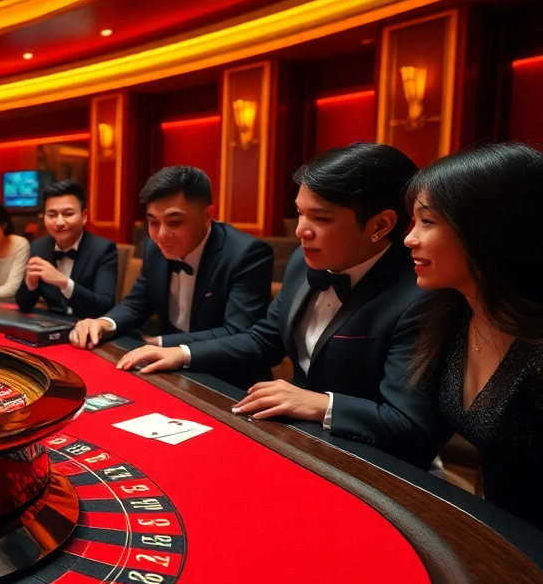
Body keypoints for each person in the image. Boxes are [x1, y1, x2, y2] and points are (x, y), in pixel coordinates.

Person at [117, 143, 442, 468]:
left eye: (321, 218)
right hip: (298, 441)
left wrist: (321, 405)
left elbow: (410, 428)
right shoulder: (303, 262)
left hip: (373, 464)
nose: (300, 231)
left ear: (380, 225)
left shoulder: (421, 295)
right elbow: (264, 340)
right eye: (300, 213)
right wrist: (183, 353)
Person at [404, 143, 543, 529]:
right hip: (499, 532)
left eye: (426, 222)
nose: (409, 238)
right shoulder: (454, 314)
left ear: (489, 229)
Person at [70, 166, 274, 388]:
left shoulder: (246, 254)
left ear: (208, 215)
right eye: (153, 222)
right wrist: (104, 323)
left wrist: (160, 343)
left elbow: (237, 332)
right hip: (170, 373)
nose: (161, 235)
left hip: (230, 380)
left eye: (174, 222)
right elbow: (137, 304)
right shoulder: (153, 247)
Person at [15, 179, 118, 318]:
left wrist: (62, 282)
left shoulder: (103, 249)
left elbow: (105, 306)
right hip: (51, 324)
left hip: (88, 326)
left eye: (68, 214)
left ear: (84, 217)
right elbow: (24, 304)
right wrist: (30, 283)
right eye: (52, 215)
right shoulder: (39, 246)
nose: (59, 222)